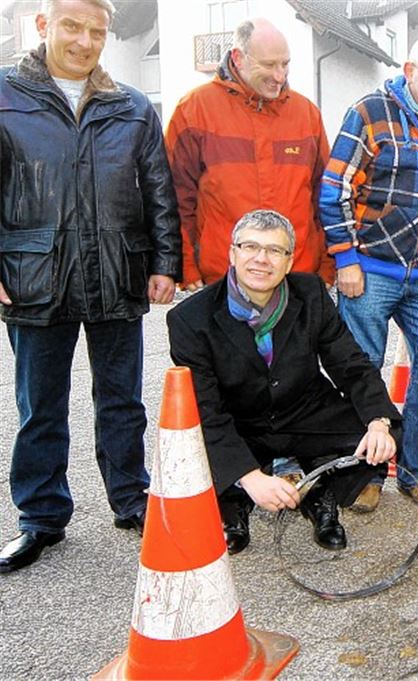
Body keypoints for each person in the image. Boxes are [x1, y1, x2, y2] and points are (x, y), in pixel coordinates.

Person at [0, 0, 181, 574]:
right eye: (72, 26)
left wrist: (165, 262)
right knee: (40, 407)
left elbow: (159, 190)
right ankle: (41, 518)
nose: (84, 40)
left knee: (123, 401)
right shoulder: (5, 95)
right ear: (43, 25)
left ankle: (131, 500)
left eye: (96, 31)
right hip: (35, 277)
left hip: (116, 273)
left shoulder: (130, 106)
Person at [167, 209, 401, 554]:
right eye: (250, 247)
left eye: (275, 250)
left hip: (301, 411)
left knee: (387, 434)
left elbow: (350, 363)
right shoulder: (189, 319)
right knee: (192, 453)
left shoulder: (311, 294)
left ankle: (319, 493)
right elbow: (207, 411)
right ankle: (235, 503)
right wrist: (251, 478)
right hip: (239, 423)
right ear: (233, 253)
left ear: (289, 261)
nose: (261, 259)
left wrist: (378, 422)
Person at [319, 35, 418, 509]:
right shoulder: (369, 114)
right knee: (361, 369)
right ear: (408, 71)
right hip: (369, 268)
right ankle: (364, 477)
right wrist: (345, 259)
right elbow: (334, 189)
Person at [165, 17, 334, 292]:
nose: (279, 75)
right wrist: (184, 264)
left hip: (298, 274)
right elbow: (176, 196)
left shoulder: (307, 114)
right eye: (268, 65)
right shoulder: (194, 110)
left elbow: (323, 196)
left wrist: (327, 266)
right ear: (238, 57)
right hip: (222, 277)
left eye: (285, 64)